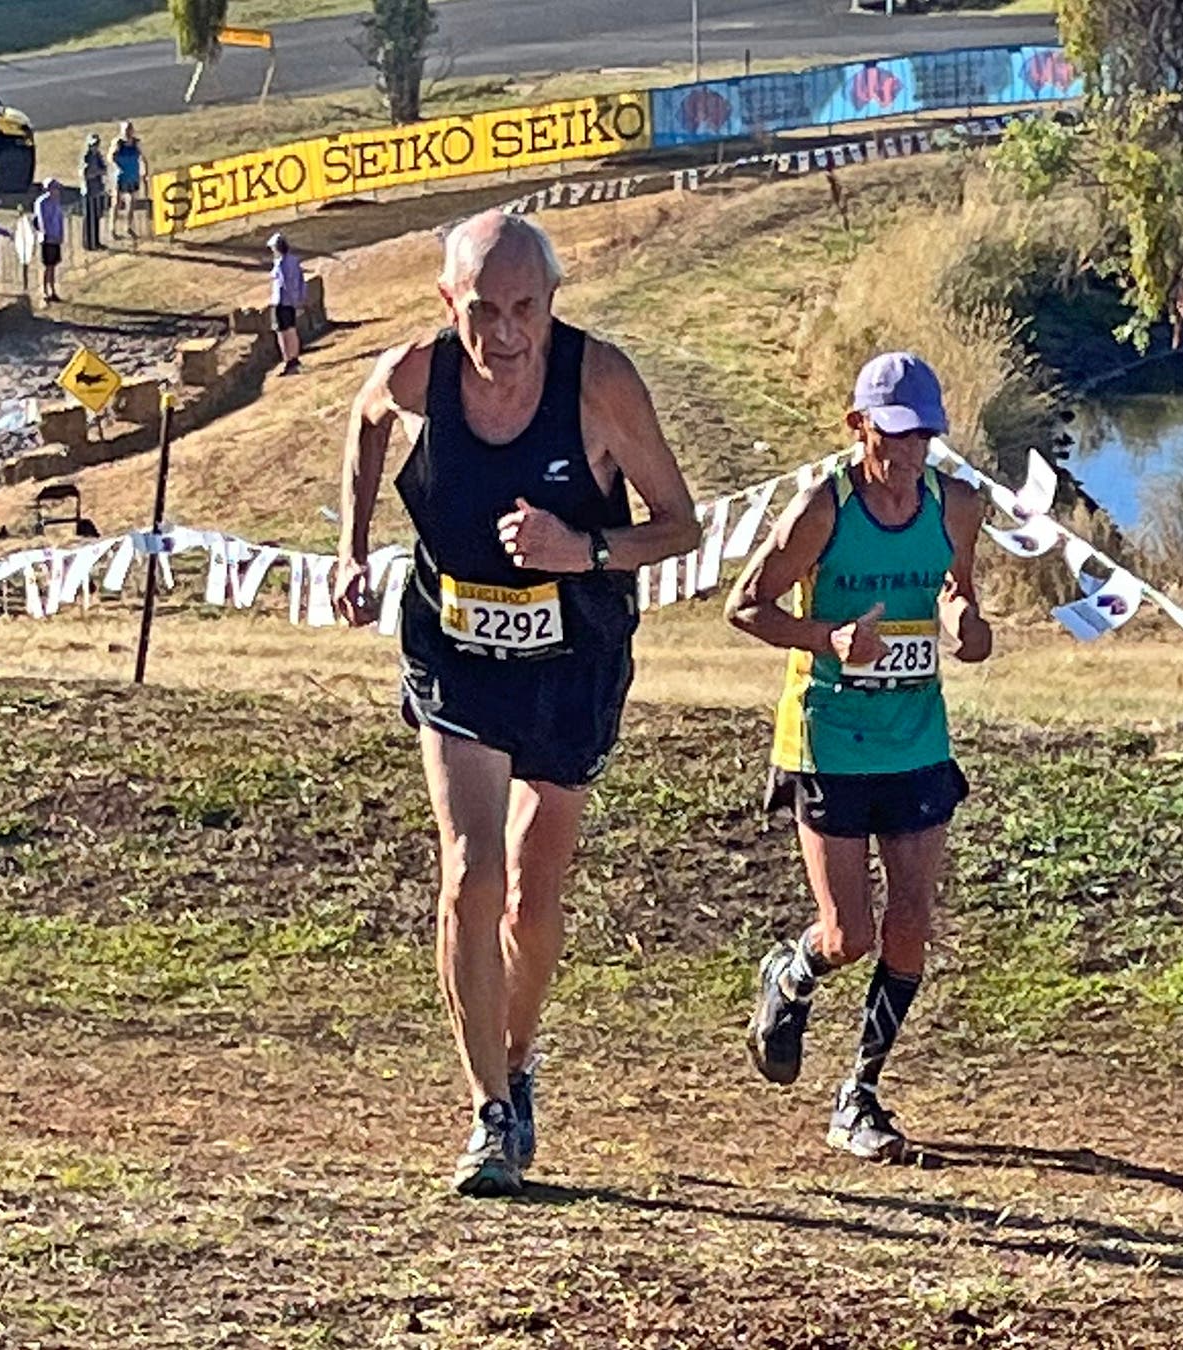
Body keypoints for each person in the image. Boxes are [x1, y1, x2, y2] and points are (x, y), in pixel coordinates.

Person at [334, 211, 702, 1197]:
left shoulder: (602, 383)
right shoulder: (421, 373)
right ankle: (489, 1114)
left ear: (552, 302)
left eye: (523, 310)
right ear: (448, 302)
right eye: (482, 310)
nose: (503, 334)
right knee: (469, 876)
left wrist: (577, 550)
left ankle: (519, 1058)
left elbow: (681, 528)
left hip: (573, 653)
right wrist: (351, 547)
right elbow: (366, 423)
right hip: (455, 653)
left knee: (535, 896)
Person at [727, 351, 992, 1164]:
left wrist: (964, 625)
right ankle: (791, 974)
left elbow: (966, 615)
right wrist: (827, 639)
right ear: (859, 427)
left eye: (927, 436)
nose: (913, 454)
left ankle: (861, 1094)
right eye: (898, 434)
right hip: (829, 738)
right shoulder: (822, 510)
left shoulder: (957, 506)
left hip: (917, 737)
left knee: (911, 920)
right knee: (848, 932)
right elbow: (746, 607)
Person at [270, 232, 307, 376]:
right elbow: (301, 281)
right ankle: (295, 358)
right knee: (292, 329)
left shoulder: (280, 263)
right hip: (291, 302)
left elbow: (283, 284)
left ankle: (287, 360)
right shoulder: (294, 261)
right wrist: (298, 299)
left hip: (281, 301)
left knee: (282, 333)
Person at [111, 121, 148, 241]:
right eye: (125, 129)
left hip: (132, 176)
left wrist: (145, 171)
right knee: (116, 202)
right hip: (121, 176)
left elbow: (143, 157)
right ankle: (112, 228)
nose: (128, 132)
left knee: (132, 202)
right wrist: (117, 166)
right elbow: (110, 157)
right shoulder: (118, 143)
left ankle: (128, 226)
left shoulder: (136, 144)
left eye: (129, 129)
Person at [33, 178, 67, 303]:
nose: (57, 191)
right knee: (46, 265)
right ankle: (44, 290)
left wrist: (61, 234)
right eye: (55, 188)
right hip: (47, 239)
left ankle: (52, 289)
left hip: (56, 238)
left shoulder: (56, 202)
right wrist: (47, 235)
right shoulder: (42, 202)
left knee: (53, 265)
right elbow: (41, 221)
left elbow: (59, 219)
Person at [80, 134, 109, 254]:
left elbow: (104, 170)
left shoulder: (98, 156)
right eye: (93, 145)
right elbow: (85, 174)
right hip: (88, 190)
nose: (95, 147)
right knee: (89, 218)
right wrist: (97, 172)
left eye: (96, 144)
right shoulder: (86, 157)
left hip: (97, 189)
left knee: (96, 216)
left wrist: (97, 172)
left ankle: (96, 241)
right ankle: (88, 243)